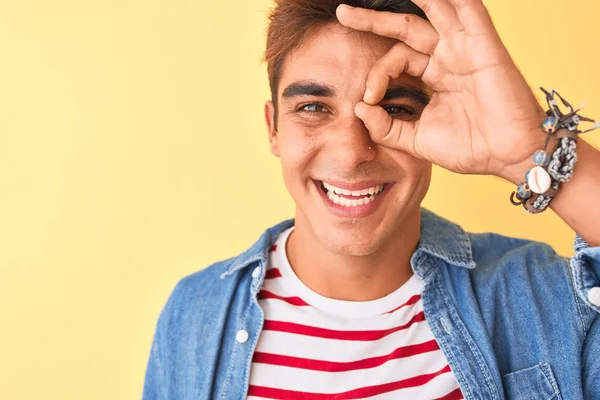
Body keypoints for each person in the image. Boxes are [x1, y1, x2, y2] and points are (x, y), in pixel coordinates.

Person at [142, 0, 600, 398]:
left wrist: (529, 151)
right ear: (273, 128)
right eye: (314, 108)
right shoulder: (195, 315)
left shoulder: (543, 299)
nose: (352, 153)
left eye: (394, 109)